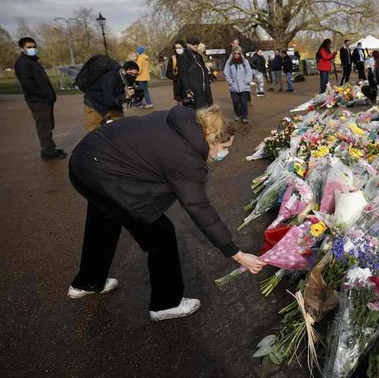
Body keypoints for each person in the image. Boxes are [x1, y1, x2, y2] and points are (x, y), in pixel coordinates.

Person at [67, 105, 264, 320]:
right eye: (223, 147)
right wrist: (237, 253)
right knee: (161, 235)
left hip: (85, 160)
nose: (223, 153)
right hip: (103, 172)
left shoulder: (183, 121)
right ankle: (166, 304)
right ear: (210, 136)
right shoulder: (186, 158)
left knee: (104, 218)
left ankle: (87, 282)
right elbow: (199, 207)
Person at [14, 37, 67, 160]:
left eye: (34, 46)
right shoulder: (23, 63)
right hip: (38, 101)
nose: (32, 49)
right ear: (22, 48)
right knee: (44, 126)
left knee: (48, 124)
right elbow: (28, 84)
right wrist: (45, 95)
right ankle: (48, 151)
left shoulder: (32, 61)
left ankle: (49, 148)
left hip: (44, 100)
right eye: (29, 47)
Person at [83, 61, 140, 132]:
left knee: (121, 125)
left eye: (135, 74)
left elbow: (116, 98)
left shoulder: (126, 79)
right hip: (94, 104)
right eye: (131, 73)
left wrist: (135, 95)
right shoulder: (110, 79)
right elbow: (109, 100)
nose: (133, 76)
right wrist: (126, 96)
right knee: (94, 132)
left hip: (110, 103)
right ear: (123, 71)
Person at [178, 37, 214, 109]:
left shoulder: (198, 55)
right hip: (193, 87)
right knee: (195, 109)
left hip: (202, 86)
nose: (196, 46)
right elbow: (183, 74)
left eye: (197, 44)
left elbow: (203, 69)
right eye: (193, 44)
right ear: (188, 45)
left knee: (205, 107)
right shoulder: (183, 56)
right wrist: (188, 89)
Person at [224, 48, 253, 123]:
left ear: (241, 54)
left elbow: (249, 72)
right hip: (234, 87)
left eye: (238, 53)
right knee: (235, 102)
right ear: (233, 54)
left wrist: (247, 81)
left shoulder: (244, 62)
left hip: (244, 87)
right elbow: (226, 72)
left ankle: (244, 117)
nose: (237, 55)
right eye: (235, 53)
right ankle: (238, 114)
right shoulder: (229, 63)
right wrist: (230, 81)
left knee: (244, 102)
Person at [166, 40, 185, 105]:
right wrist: (177, 77)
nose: (178, 49)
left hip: (190, 86)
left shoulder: (189, 57)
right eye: (176, 48)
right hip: (178, 86)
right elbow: (168, 73)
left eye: (179, 48)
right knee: (181, 107)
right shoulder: (173, 58)